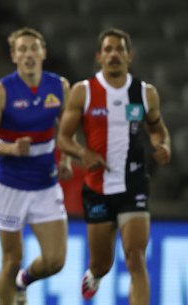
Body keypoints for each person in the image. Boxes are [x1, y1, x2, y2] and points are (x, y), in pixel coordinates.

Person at [57, 28, 171, 305]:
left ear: (129, 56)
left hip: (134, 185)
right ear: (99, 56)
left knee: (135, 258)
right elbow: (63, 138)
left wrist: (163, 145)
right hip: (98, 188)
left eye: (119, 49)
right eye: (108, 49)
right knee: (102, 263)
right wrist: (83, 153)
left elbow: (158, 130)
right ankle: (95, 274)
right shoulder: (83, 92)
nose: (114, 54)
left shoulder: (145, 93)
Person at [0, 28, 72, 305]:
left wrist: (67, 159)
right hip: (10, 184)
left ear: (43, 52)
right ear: (14, 56)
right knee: (11, 261)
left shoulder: (60, 86)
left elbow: (67, 128)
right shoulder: (1, 92)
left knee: (55, 261)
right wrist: (11, 148)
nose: (29, 54)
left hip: (45, 183)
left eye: (34, 48)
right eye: (22, 49)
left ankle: (26, 281)